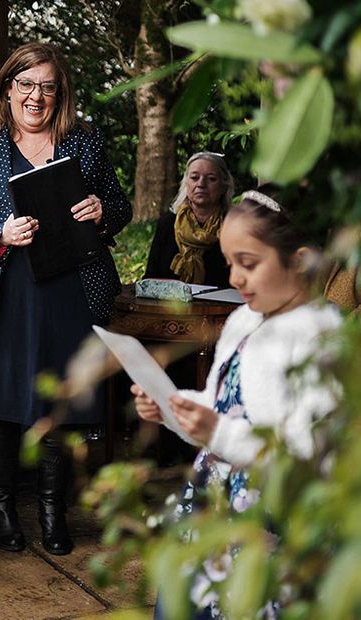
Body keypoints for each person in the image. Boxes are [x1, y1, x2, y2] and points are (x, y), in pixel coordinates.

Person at [0, 42, 132, 556]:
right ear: (7, 89)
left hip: (70, 291)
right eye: (25, 84)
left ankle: (53, 511)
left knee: (61, 401)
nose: (36, 96)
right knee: (0, 404)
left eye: (47, 86)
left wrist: (102, 211)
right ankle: (2, 509)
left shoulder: (85, 144)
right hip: (0, 291)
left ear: (60, 94)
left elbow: (119, 206)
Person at [131, 188, 341, 618]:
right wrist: (170, 408)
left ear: (298, 261)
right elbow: (217, 401)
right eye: (230, 263)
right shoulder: (243, 320)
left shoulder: (318, 340)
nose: (234, 278)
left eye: (248, 263)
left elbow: (305, 454)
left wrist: (218, 432)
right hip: (211, 497)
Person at [144, 151, 234, 287]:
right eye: (194, 177)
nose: (201, 184)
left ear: (223, 186)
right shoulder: (168, 224)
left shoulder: (234, 226)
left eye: (211, 179)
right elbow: (150, 278)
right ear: (186, 184)